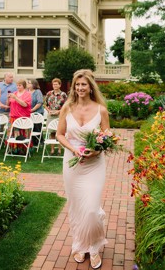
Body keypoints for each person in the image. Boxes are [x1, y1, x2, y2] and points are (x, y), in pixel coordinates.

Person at [55, 69, 110, 269]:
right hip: (72, 164)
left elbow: (107, 136)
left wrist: (95, 151)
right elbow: (59, 135)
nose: (80, 88)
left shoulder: (101, 109)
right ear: (73, 86)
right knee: (77, 207)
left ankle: (94, 247)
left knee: (92, 210)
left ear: (90, 86)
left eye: (83, 84)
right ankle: (79, 244)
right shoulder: (67, 108)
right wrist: (74, 149)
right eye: (77, 85)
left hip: (94, 165)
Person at [7, 79, 31, 155]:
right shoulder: (14, 93)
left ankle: (23, 150)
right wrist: (8, 98)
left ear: (24, 86)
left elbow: (25, 104)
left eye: (19, 85)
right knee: (13, 134)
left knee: (22, 134)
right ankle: (13, 149)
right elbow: (8, 104)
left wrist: (16, 98)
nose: (18, 87)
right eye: (17, 85)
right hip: (13, 117)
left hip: (22, 118)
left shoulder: (27, 94)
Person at [45, 78, 68, 154]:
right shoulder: (49, 94)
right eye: (53, 84)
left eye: (56, 84)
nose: (54, 86)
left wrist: (59, 111)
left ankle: (59, 149)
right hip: (50, 115)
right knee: (52, 133)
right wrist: (49, 111)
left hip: (60, 115)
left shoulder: (63, 94)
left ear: (60, 85)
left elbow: (66, 106)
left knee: (59, 133)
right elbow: (45, 104)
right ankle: (52, 149)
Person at [29, 80, 45, 145]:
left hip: (37, 112)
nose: (28, 84)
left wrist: (32, 110)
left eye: (29, 83)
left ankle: (40, 141)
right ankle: (33, 141)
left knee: (37, 127)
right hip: (29, 113)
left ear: (34, 84)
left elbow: (40, 102)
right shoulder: (27, 92)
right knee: (31, 127)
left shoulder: (37, 92)